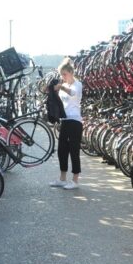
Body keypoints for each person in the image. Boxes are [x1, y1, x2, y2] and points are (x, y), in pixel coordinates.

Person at [49, 58, 83, 190]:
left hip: (75, 121)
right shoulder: (64, 86)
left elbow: (74, 94)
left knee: (74, 150)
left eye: (65, 74)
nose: (63, 77)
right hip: (65, 120)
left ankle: (75, 180)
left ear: (70, 72)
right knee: (62, 150)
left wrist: (62, 87)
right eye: (61, 75)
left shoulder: (77, 84)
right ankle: (62, 178)